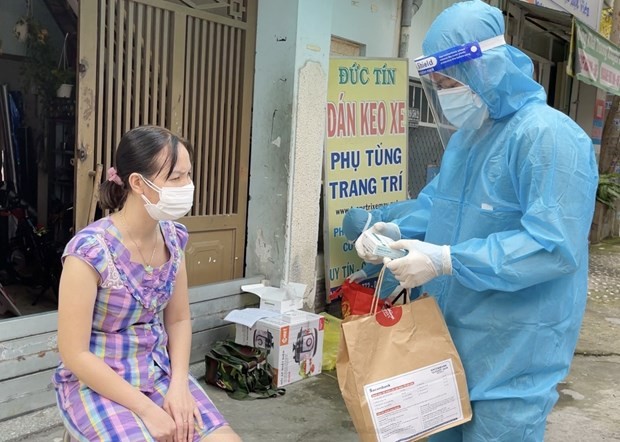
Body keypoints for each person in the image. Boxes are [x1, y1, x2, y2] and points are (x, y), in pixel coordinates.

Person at [355, 1, 598, 441]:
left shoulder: (549, 137)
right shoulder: (468, 138)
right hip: (444, 341)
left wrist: (446, 260)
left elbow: (552, 247)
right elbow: (440, 206)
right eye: (437, 85)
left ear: (485, 68)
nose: (444, 94)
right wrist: (393, 231)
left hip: (513, 354)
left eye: (449, 82)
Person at [54, 126, 240, 442]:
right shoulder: (89, 252)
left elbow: (178, 319)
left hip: (159, 371)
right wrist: (148, 411)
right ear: (138, 183)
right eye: (176, 178)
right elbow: (75, 353)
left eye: (188, 175)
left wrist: (179, 385)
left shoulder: (173, 239)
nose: (187, 186)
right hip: (98, 382)